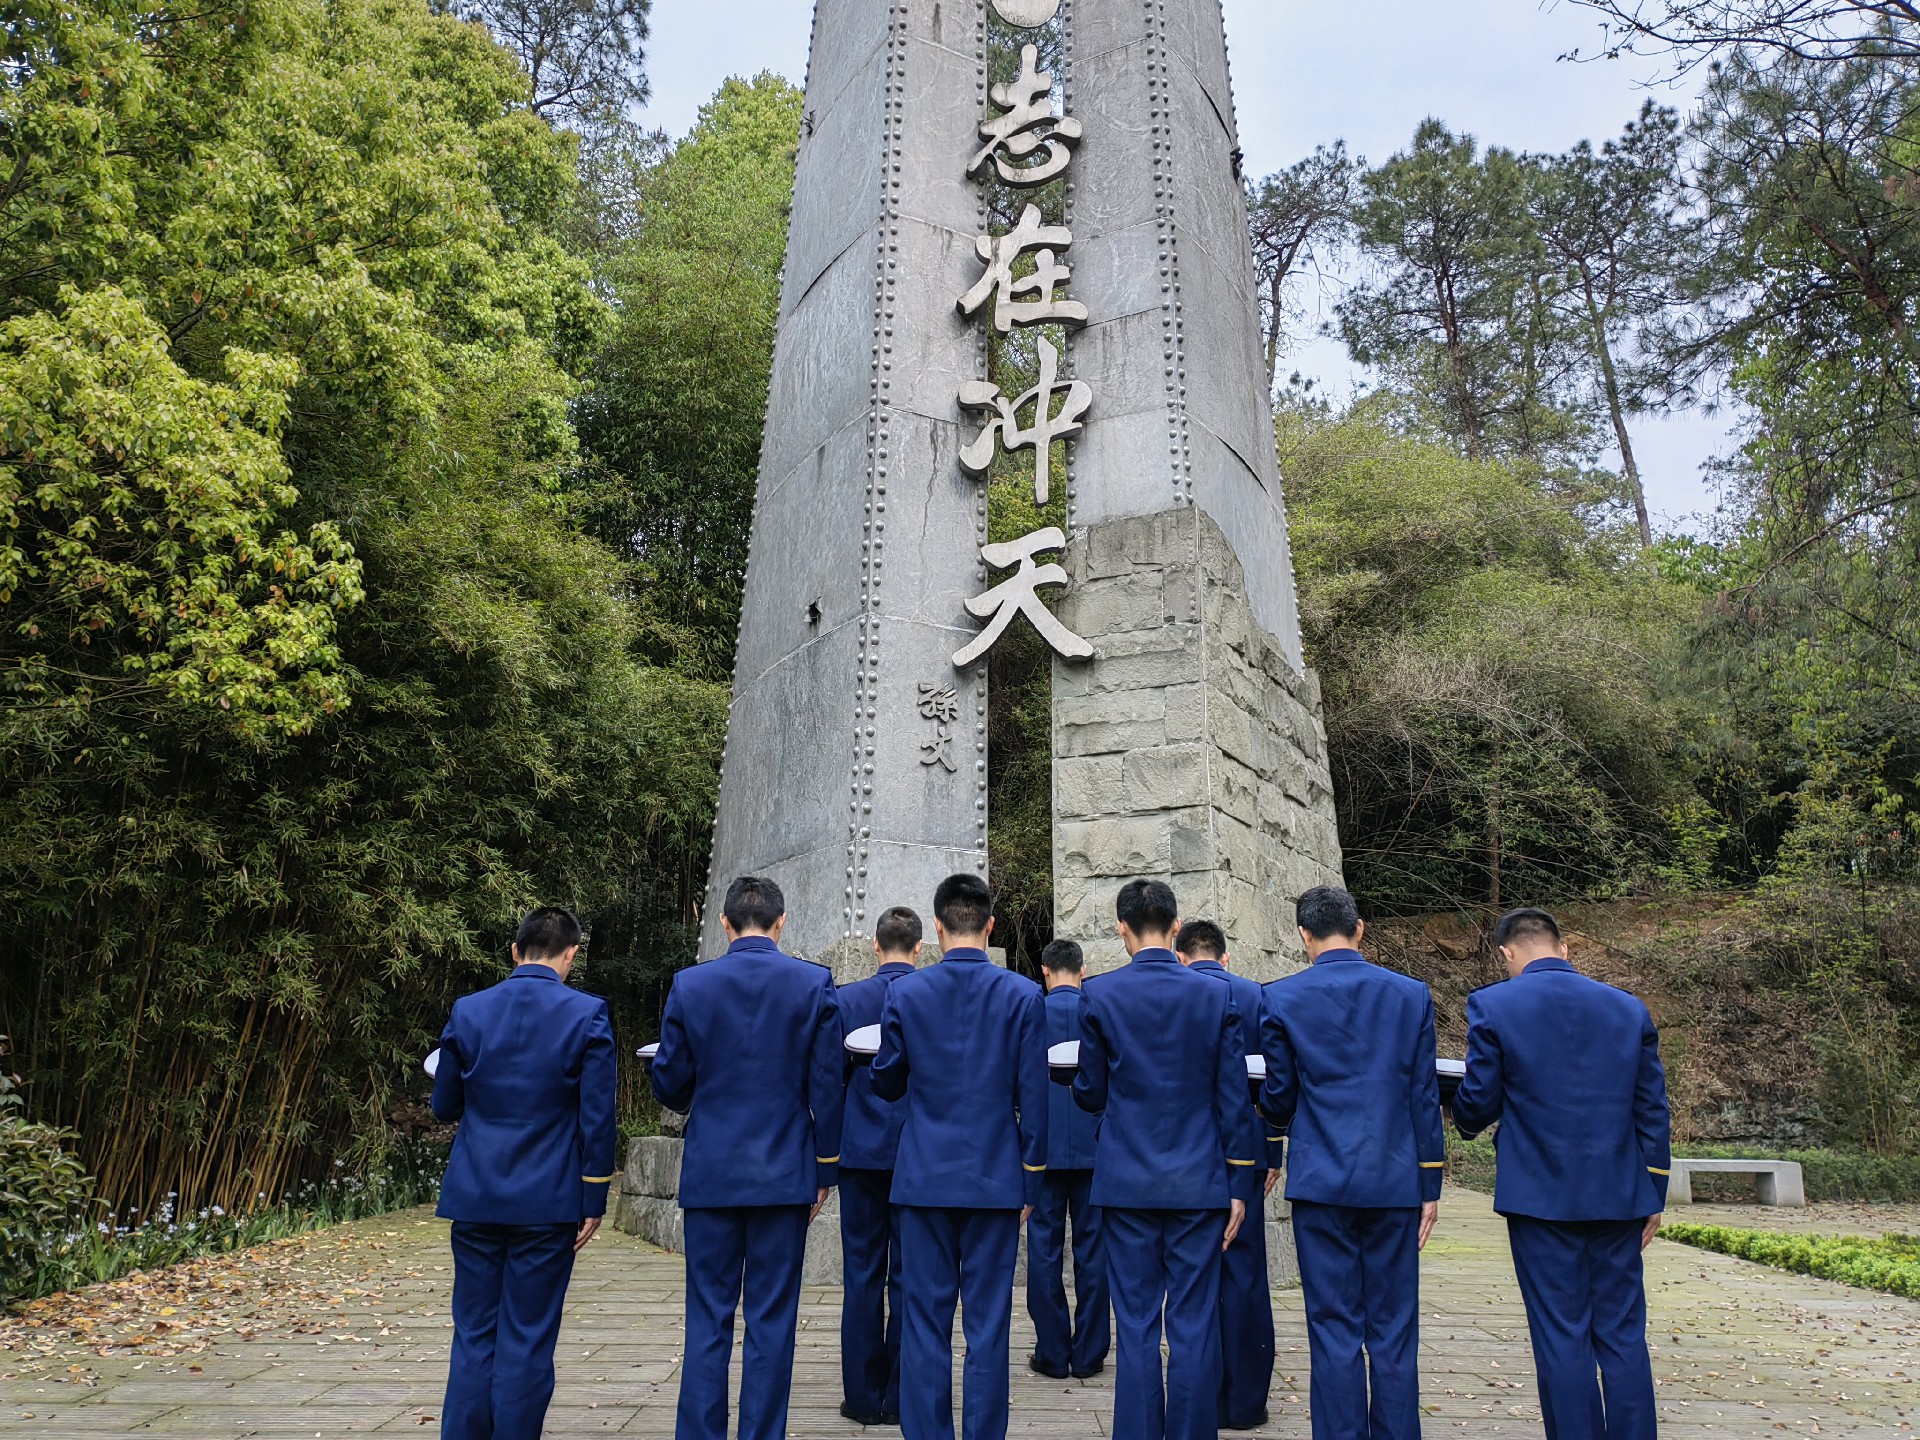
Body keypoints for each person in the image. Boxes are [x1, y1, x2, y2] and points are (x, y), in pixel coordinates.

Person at [1452, 907, 1672, 1440]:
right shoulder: (1627, 1008)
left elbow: (1478, 1103)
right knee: (1623, 1335)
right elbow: (1652, 1109)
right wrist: (1654, 1190)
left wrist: (1458, 1111)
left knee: (1561, 1336)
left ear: (1507, 953)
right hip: (1621, 1194)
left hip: (1540, 1196)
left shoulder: (1493, 1004)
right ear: (1563, 948)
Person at [650, 876, 845, 1440]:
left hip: (712, 1170)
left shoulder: (690, 984)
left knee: (707, 1318)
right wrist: (825, 1167)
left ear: (724, 922)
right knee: (771, 1321)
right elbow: (827, 1083)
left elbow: (670, 1083)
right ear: (781, 922)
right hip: (784, 1171)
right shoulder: (813, 983)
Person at [1259, 885, 1445, 1440]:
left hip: (1322, 1180)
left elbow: (1280, 1098)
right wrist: (1430, 1181)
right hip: (1394, 1176)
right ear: (1359, 928)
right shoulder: (1410, 994)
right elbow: (1423, 1096)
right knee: (1393, 1328)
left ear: (1303, 935)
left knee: (1332, 1327)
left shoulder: (1281, 997)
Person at [1074, 880, 1258, 1440]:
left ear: (1121, 928)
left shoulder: (1099, 993)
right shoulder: (1214, 995)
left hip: (1127, 1177)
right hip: (1199, 1178)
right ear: (1176, 927)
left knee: (1134, 1323)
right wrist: (1239, 1182)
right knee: (1194, 1323)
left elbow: (1091, 1090)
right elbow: (1233, 1097)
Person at [871, 873, 1047, 1440]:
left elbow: (887, 1081)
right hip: (995, 1176)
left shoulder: (905, 993)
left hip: (924, 1176)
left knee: (924, 1322)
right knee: (989, 1326)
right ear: (990, 925)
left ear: (937, 927)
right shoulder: (1023, 995)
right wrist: (1032, 1180)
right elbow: (1034, 1100)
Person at [432, 907, 618, 1440]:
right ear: (571, 955)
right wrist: (594, 1196)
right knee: (528, 1336)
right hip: (548, 1197)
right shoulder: (587, 1014)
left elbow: (445, 1105)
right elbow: (597, 1117)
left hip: (475, 1193)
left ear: (514, 951)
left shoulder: (468, 1010)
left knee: (473, 1333)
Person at [1175, 919, 1279, 1430]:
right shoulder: (1256, 995)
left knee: (1194, 1277)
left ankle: (1202, 1394)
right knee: (1246, 1273)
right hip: (1246, 1151)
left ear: (1181, 956)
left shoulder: (1178, 992)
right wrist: (1273, 1149)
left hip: (1187, 1152)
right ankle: (1246, 1399)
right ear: (1225, 956)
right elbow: (1273, 1080)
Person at [835, 906, 923, 1426]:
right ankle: (900, 1393)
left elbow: (830, 1077)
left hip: (860, 1150)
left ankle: (862, 1395)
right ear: (919, 948)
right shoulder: (927, 995)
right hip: (915, 1151)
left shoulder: (846, 1000)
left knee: (861, 1273)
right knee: (911, 1277)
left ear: (875, 944)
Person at [1025, 938, 1110, 1382]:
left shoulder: (1030, 1012)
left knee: (1043, 1251)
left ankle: (1052, 1350)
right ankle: (1090, 1351)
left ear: (1044, 969)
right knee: (1094, 1253)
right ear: (1083, 969)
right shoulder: (1098, 1010)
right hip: (1095, 1149)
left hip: (1042, 1150)